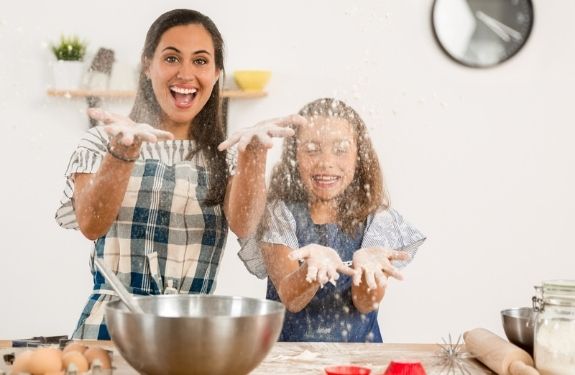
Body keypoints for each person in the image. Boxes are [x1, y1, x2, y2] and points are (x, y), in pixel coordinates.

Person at [55, 8, 305, 340]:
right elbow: (91, 223)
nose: (185, 74)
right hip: (109, 334)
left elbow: (244, 222)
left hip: (190, 336)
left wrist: (254, 155)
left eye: (200, 61)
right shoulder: (103, 142)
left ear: (216, 73)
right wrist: (123, 153)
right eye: (172, 58)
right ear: (148, 65)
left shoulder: (229, 153)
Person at [238, 98, 426, 342]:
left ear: (359, 158)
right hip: (287, 359)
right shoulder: (279, 214)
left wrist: (369, 271)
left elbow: (366, 303)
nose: (326, 162)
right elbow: (291, 299)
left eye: (340, 149)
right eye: (312, 149)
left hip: (359, 360)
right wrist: (312, 271)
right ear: (294, 156)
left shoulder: (378, 221)